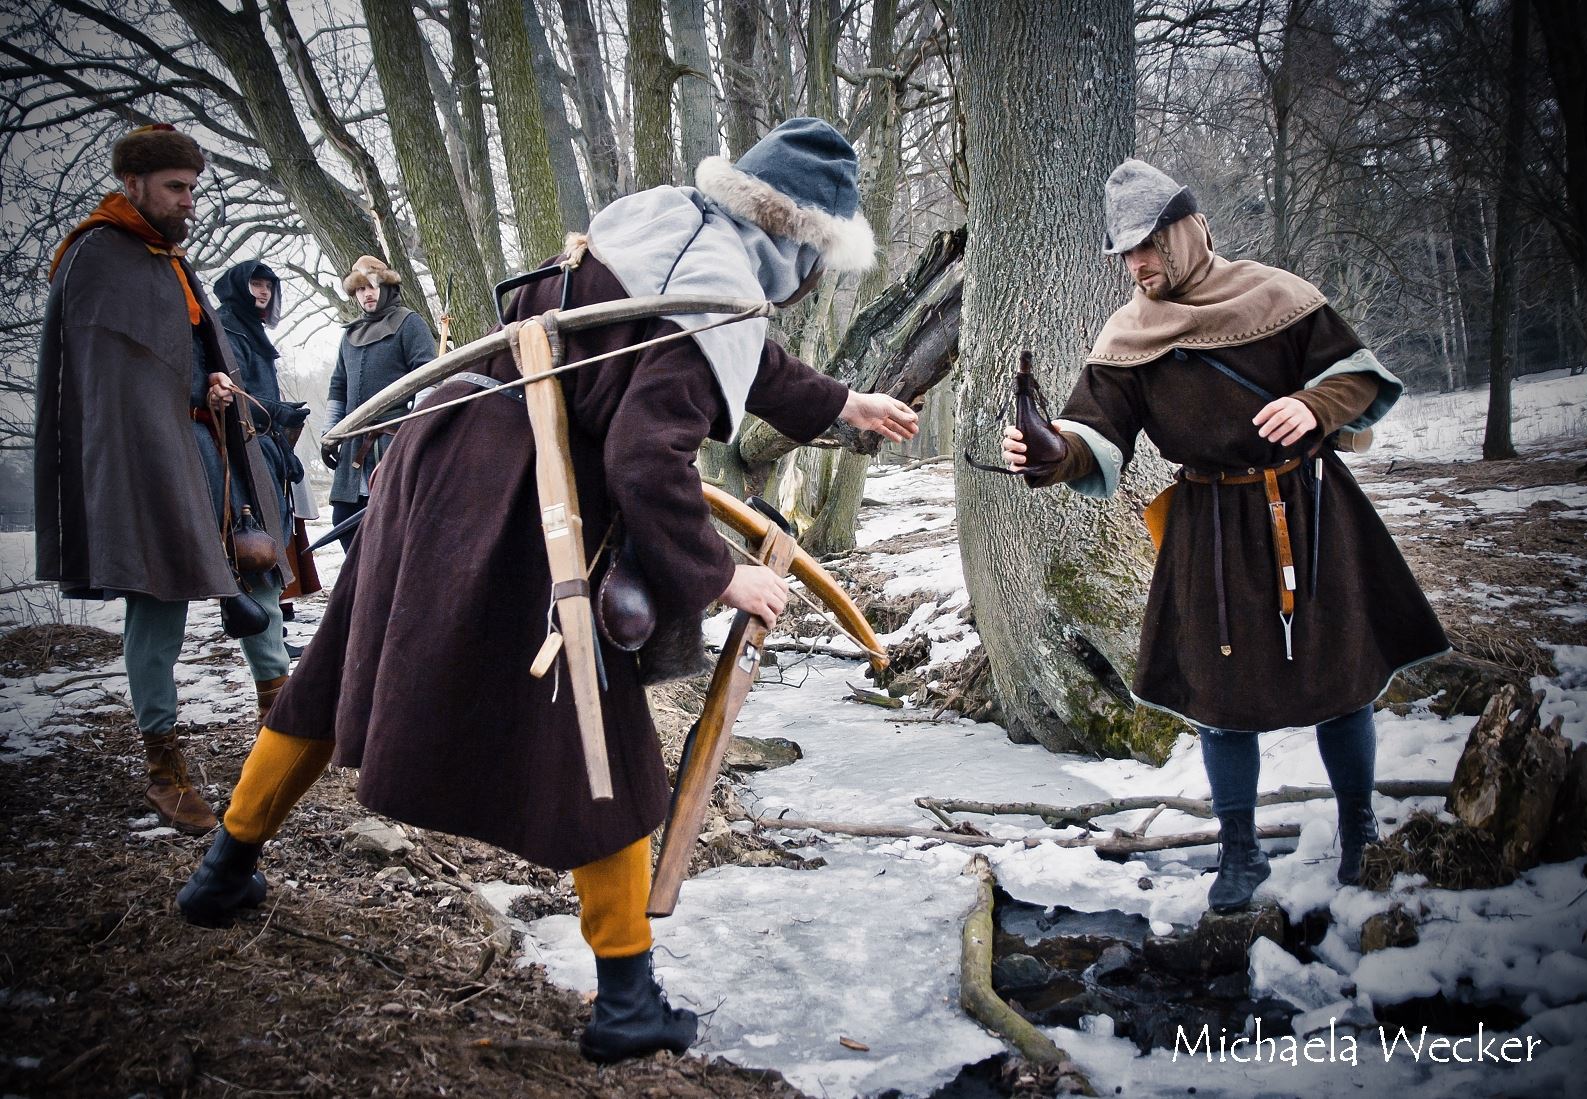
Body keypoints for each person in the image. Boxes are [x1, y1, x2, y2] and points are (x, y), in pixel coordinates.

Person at [176, 118, 919, 1060]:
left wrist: (841, 404)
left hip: (438, 464)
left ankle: (220, 872)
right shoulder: (719, 298)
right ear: (796, 246)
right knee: (599, 738)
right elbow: (650, 460)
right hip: (528, 502)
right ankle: (626, 1004)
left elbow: (727, 353)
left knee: (331, 670)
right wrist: (722, 576)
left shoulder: (654, 232)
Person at [1001, 159, 1449, 913]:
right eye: (1125, 253)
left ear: (1186, 231)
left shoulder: (1279, 299)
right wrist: (1049, 452)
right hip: (1207, 527)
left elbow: (1360, 377)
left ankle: (1359, 829)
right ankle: (1237, 851)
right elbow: (1094, 434)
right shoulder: (1129, 337)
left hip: (1309, 508)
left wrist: (1313, 406)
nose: (1138, 265)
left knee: (1343, 677)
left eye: (1149, 245)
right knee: (1216, 692)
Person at [35, 125, 294, 835]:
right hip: (146, 458)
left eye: (192, 188)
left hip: (209, 446)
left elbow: (185, 349)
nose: (188, 201)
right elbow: (99, 379)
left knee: (259, 568)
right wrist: (167, 408)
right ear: (133, 184)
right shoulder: (95, 257)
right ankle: (165, 767)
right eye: (176, 187)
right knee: (160, 598)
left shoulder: (168, 261)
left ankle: (286, 720)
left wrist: (212, 380)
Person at [212, 260, 320, 652]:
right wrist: (274, 411)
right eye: (256, 284)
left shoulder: (249, 327)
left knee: (270, 551)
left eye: (269, 286)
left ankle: (273, 642)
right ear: (239, 287)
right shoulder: (226, 326)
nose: (263, 292)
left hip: (263, 446)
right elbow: (233, 396)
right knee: (254, 552)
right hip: (243, 455)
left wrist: (278, 410)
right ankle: (268, 650)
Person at [319, 255, 435, 550]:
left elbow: (429, 377)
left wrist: (413, 431)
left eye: (371, 286)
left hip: (394, 442)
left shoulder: (409, 324)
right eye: (359, 290)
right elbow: (338, 387)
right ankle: (361, 592)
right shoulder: (350, 334)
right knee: (344, 522)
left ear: (385, 286)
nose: (366, 294)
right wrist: (330, 435)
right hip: (354, 446)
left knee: (394, 526)